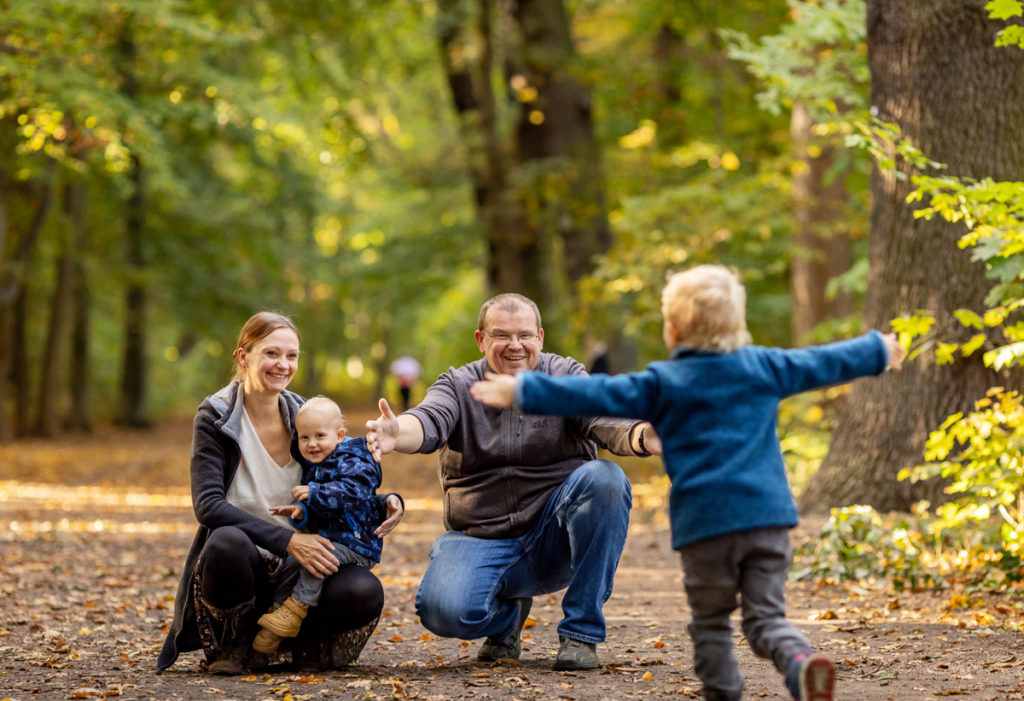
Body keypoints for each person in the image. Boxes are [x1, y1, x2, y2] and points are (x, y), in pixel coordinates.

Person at [469, 265, 906, 701]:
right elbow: (825, 362)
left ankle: (723, 693)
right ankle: (799, 662)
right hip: (767, 523)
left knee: (712, 623)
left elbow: (597, 393)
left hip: (705, 529)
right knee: (766, 619)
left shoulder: (664, 382)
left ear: (673, 331)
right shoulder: (768, 366)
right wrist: (878, 349)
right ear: (738, 326)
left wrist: (523, 390)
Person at [365, 293, 661, 671]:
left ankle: (581, 633)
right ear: (481, 339)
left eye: (524, 335)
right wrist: (396, 431)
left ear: (540, 336)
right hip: (481, 538)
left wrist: (643, 435)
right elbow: (428, 420)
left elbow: (604, 420)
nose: (515, 345)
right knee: (442, 611)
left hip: (556, 539)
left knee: (605, 479)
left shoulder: (565, 376)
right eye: (501, 335)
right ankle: (506, 618)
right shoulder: (458, 384)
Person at [157, 312, 404, 676]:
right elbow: (208, 506)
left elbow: (349, 478)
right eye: (271, 353)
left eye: (292, 355)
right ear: (243, 356)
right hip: (244, 565)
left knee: (363, 589)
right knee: (225, 542)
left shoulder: (305, 415)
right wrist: (287, 543)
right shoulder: (216, 416)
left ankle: (304, 642)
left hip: (307, 564)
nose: (283, 365)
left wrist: (388, 502)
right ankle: (235, 644)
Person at [253, 396, 388, 654]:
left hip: (356, 542)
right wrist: (301, 510)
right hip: (332, 536)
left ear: (339, 435)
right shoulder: (316, 465)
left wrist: (313, 493)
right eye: (304, 438)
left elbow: (354, 493)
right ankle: (279, 613)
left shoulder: (355, 459)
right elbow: (321, 505)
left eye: (319, 436)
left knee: (317, 557)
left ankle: (296, 609)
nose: (312, 444)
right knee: (293, 563)